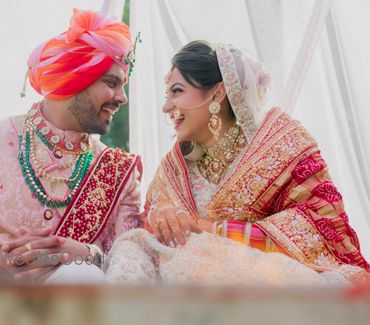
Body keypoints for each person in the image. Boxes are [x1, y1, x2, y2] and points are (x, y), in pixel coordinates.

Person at [0, 8, 142, 324]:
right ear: (76, 75)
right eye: (112, 82)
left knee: (83, 279)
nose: (122, 98)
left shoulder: (118, 172)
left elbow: (134, 263)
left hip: (51, 307)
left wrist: (85, 255)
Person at [106, 41, 369, 285]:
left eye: (177, 91)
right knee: (133, 245)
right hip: (188, 295)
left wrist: (211, 230)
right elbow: (154, 233)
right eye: (167, 94)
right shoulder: (174, 167)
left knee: (194, 254)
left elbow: (317, 228)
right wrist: (162, 219)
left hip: (269, 284)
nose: (166, 106)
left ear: (217, 93)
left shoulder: (282, 144)